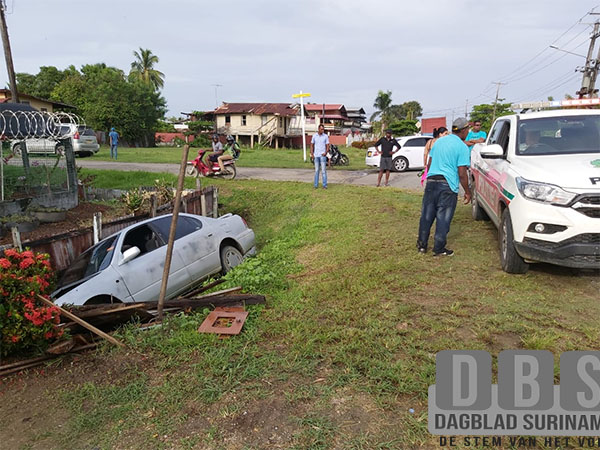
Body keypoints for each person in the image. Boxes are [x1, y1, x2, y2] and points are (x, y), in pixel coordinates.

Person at [416, 117, 472, 256]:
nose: (468, 132)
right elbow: (462, 173)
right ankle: (439, 248)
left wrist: (430, 178)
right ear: (464, 130)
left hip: (432, 181)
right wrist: (467, 191)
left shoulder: (439, 142)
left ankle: (422, 246)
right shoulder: (462, 147)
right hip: (447, 184)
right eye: (468, 130)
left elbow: (429, 163)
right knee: (443, 218)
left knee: (427, 215)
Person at [311, 124, 330, 189]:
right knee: (316, 171)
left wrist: (325, 153)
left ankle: (324, 185)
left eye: (323, 129)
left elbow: (327, 145)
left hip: (322, 156)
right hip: (316, 155)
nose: (322, 130)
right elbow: (312, 145)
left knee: (323, 171)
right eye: (321, 129)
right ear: (318, 129)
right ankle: (315, 185)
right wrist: (312, 154)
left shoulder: (325, 136)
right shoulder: (314, 136)